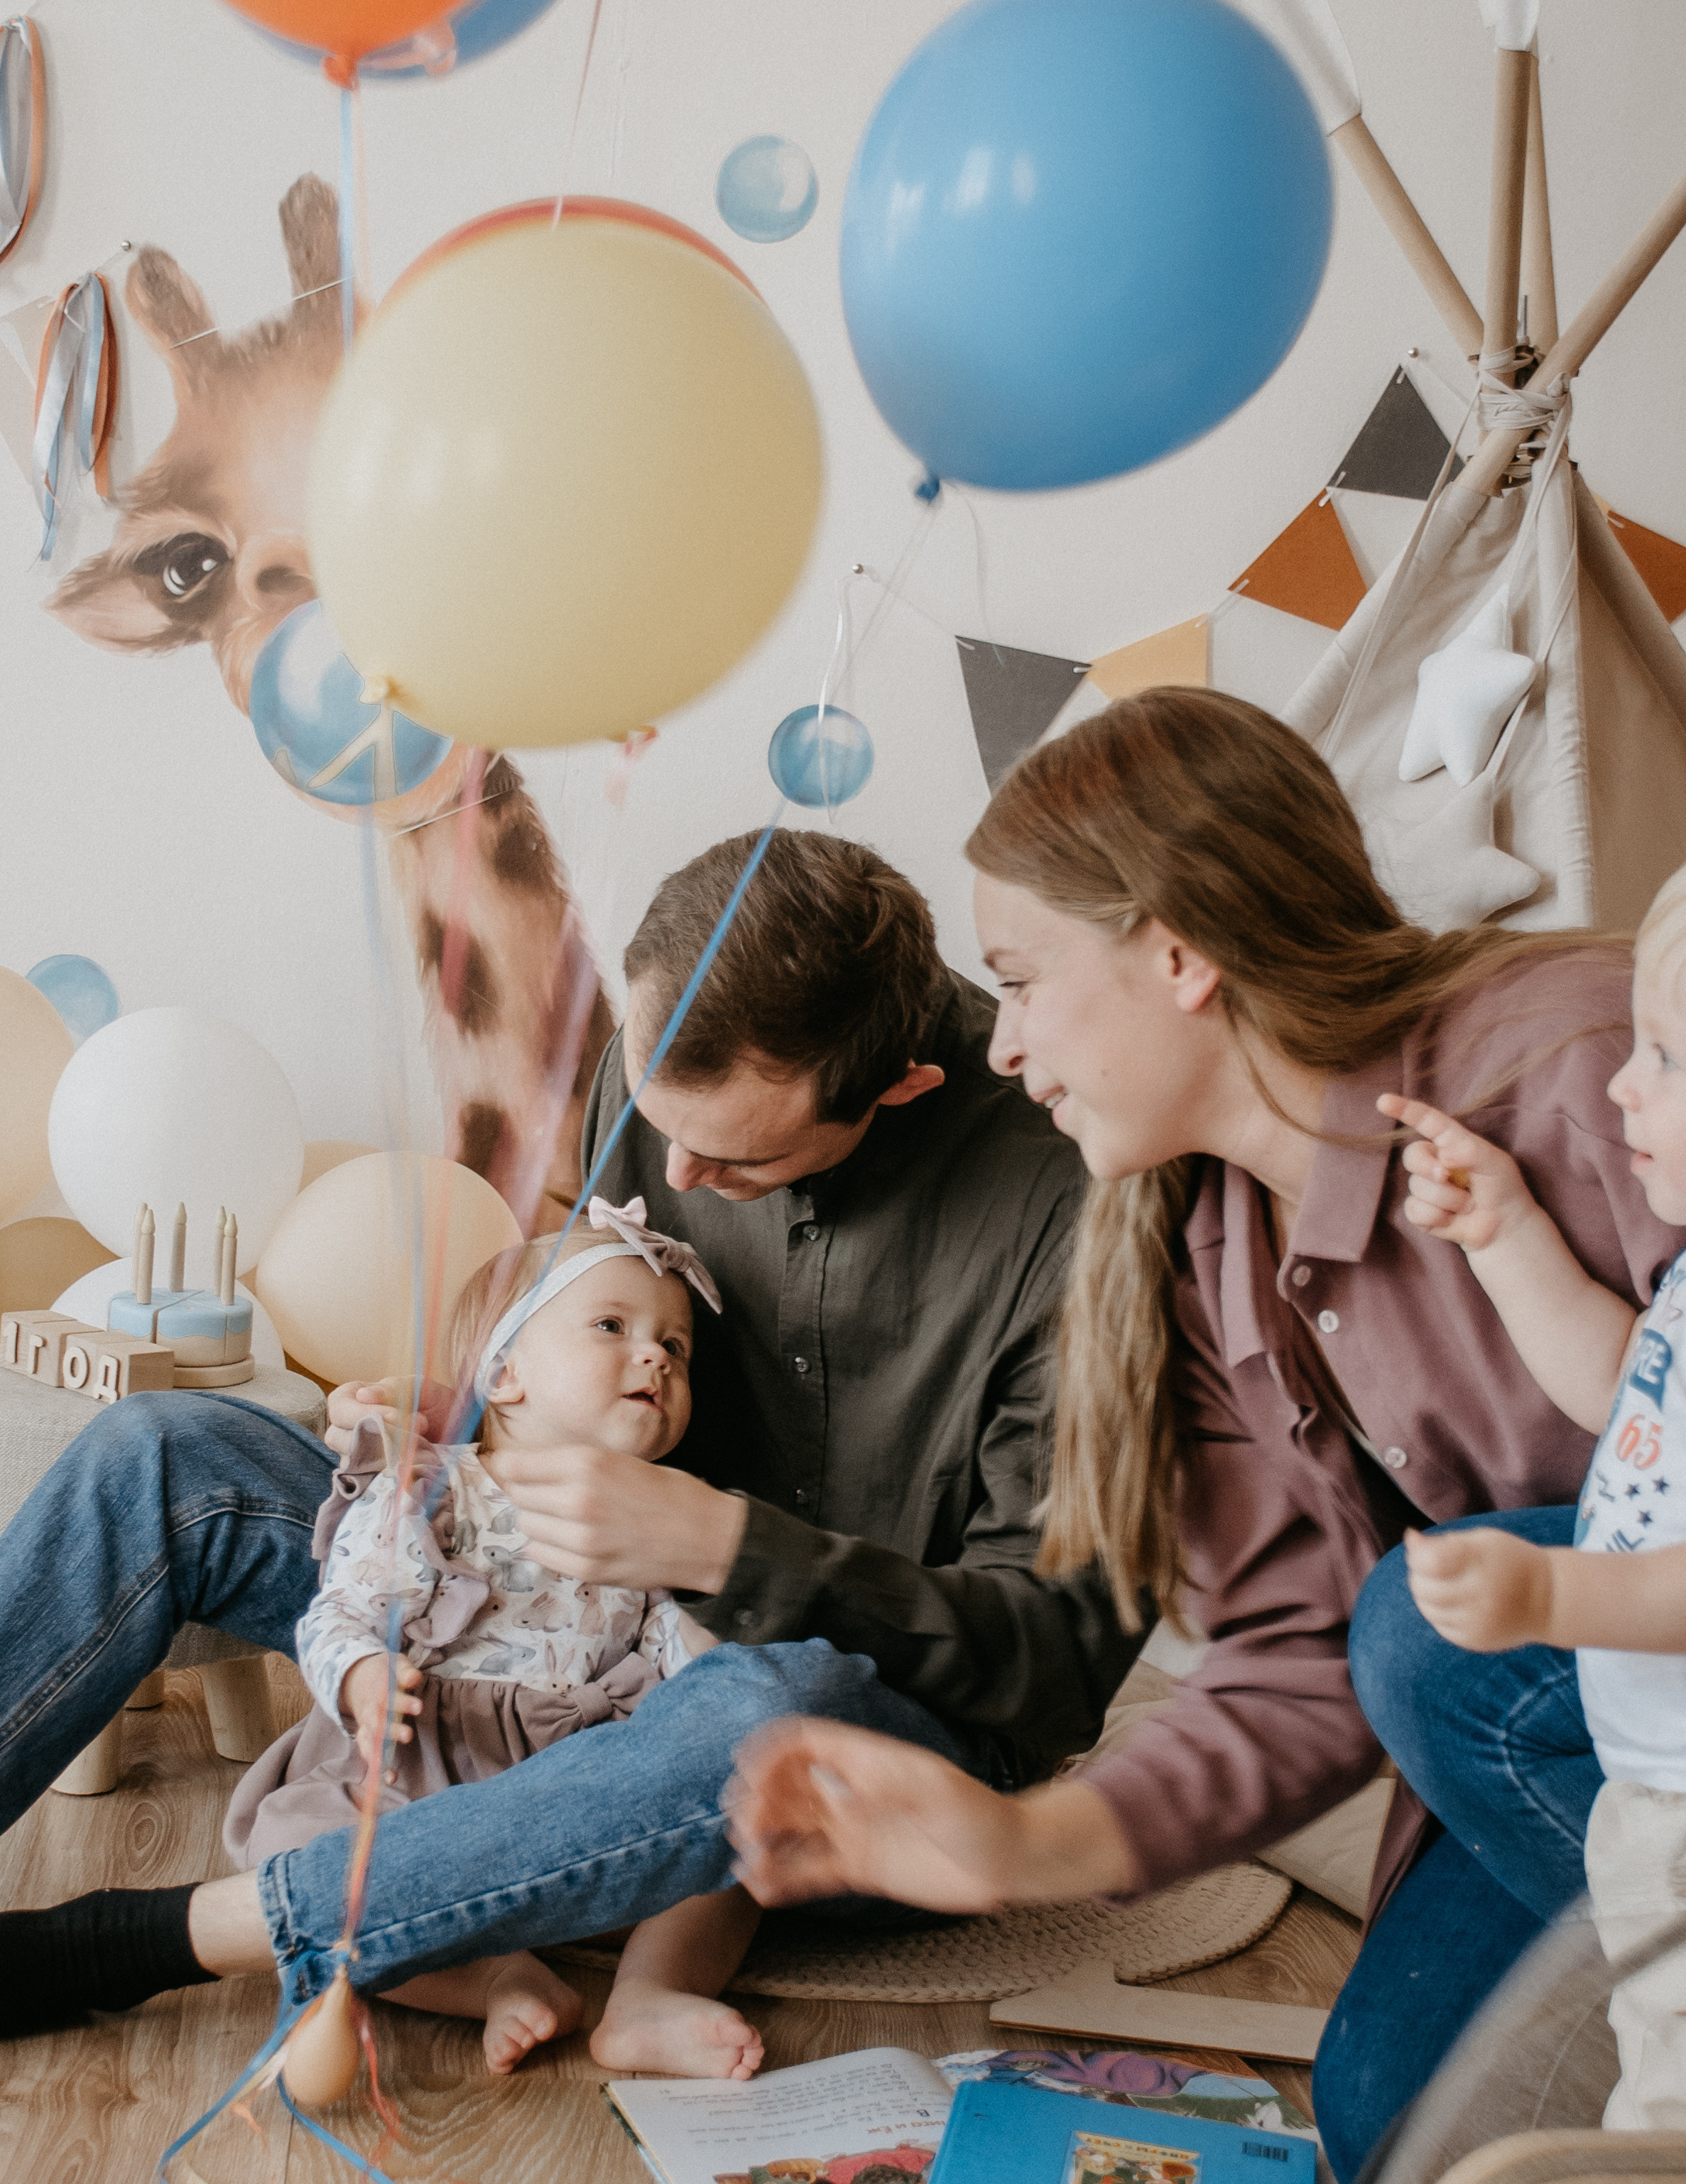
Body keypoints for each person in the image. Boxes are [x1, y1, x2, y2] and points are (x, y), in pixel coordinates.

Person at [722, 689, 1686, 2184]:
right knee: (1391, 2121)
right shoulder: (1207, 1255)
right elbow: (1295, 1671)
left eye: (1020, 981)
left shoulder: (1579, 1061)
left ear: (1178, 955)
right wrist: (1015, 1844)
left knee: (1435, 1635)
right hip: (1611, 1744)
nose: (1004, 1046)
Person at [0, 830, 1127, 2043]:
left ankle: (139, 1942)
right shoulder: (662, 1074)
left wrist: (727, 1549)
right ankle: (515, 1845)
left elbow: (1054, 1675)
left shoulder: (1077, 1201)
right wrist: (462, 1415)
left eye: (732, 1158)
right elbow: (580, 1329)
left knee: (766, 1703)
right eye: (655, 1116)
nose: (676, 1169)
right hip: (551, 1620)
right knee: (169, 1455)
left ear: (896, 1089)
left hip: (835, 1703)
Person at [224, 1200, 768, 2080]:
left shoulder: (657, 1514)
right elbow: (340, 1612)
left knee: (733, 1838)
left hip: (588, 1780)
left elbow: (677, 1640)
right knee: (308, 1864)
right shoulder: (436, 1489)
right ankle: (493, 1980)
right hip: (427, 1768)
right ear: (506, 1374)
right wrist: (365, 1676)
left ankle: (649, 1994)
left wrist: (722, 1709)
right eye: (612, 1327)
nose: (657, 1357)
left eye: (675, 1345)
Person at [1388, 849, 1686, 2132]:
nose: (1623, 1082)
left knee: (1674, 2125)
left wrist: (1549, 1597)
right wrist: (1508, 1235)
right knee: (1656, 2073)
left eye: (1667, 1057)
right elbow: (1626, 1388)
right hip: (1659, 1789)